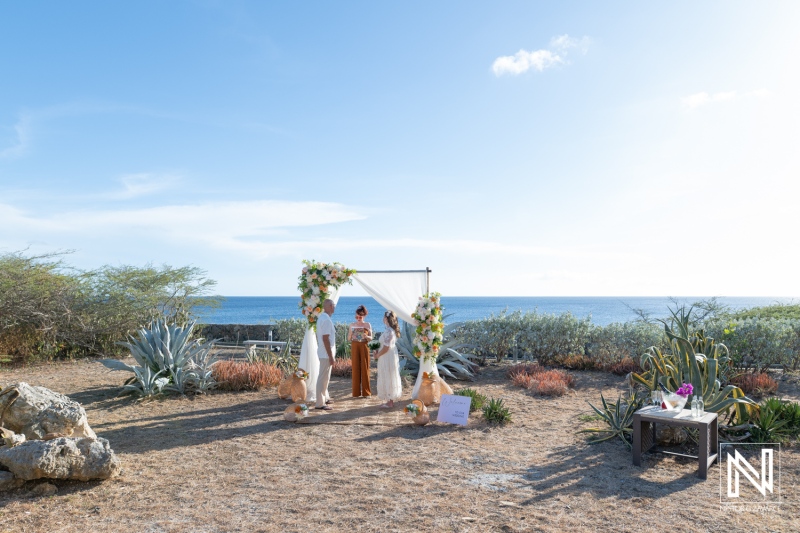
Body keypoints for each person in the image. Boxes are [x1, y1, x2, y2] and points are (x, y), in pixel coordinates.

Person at [373, 310, 403, 408]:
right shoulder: (389, 330)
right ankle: (389, 400)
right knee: (387, 375)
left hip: (387, 357)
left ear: (386, 319)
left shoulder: (390, 331)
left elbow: (387, 347)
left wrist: (378, 355)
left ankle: (390, 402)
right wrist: (377, 350)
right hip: (386, 356)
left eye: (383, 317)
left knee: (389, 375)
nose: (382, 319)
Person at [315, 299, 336, 410]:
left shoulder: (322, 318)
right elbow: (325, 339)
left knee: (325, 378)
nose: (334, 307)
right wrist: (331, 356)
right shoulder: (326, 320)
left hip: (323, 353)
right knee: (323, 378)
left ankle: (325, 398)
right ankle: (319, 403)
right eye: (333, 305)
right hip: (325, 354)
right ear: (329, 306)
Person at [348, 305, 373, 398]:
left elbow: (371, 338)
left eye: (360, 317)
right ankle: (356, 392)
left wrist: (367, 337)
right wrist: (351, 335)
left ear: (364, 316)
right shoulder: (352, 325)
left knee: (365, 367)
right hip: (355, 345)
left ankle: (366, 392)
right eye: (356, 317)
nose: (358, 318)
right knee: (355, 368)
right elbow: (348, 338)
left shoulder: (367, 325)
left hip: (364, 345)